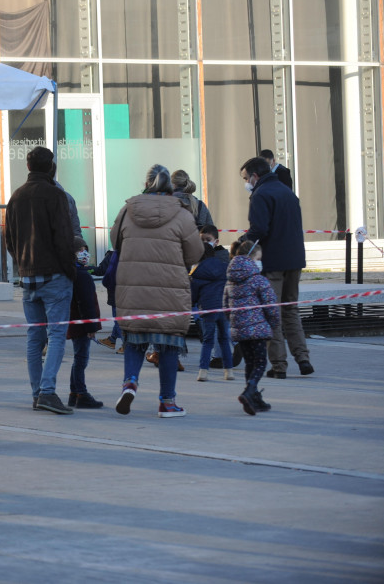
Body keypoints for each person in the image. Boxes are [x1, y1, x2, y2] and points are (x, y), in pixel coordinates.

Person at [112, 164, 204, 418]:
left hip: (132, 285)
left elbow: (114, 241)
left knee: (134, 337)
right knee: (169, 343)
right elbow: (196, 253)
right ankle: (167, 402)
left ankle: (130, 383)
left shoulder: (127, 210)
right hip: (170, 288)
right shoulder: (183, 214)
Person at [4, 146, 77, 415]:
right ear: (51, 167)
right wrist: (70, 269)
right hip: (55, 275)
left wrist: (22, 264)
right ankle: (47, 391)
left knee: (35, 336)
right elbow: (64, 237)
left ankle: (38, 393)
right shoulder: (55, 195)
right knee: (56, 334)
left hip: (28, 276)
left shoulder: (17, 196)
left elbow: (9, 238)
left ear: (28, 166)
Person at [239, 156, 314, 378]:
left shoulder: (261, 195)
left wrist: (240, 243)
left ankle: (279, 366)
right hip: (295, 260)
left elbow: (259, 229)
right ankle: (303, 359)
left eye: (246, 178)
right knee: (291, 309)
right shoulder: (287, 192)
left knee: (272, 312)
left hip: (273, 262)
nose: (246, 183)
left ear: (255, 176)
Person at [224, 240, 280, 415]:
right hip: (257, 329)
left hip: (240, 329)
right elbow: (270, 305)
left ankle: (254, 398)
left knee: (250, 363)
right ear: (252, 258)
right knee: (261, 362)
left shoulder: (230, 281)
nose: (259, 262)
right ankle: (249, 392)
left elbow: (225, 307)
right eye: (258, 258)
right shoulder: (258, 280)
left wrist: (235, 322)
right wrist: (274, 323)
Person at [66, 237, 105, 409]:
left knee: (78, 359)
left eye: (85, 249)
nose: (84, 253)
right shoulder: (82, 276)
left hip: (74, 322)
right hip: (82, 324)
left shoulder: (73, 273)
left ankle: (74, 393)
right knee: (81, 359)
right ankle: (81, 393)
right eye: (80, 250)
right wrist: (91, 327)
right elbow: (86, 304)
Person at [191, 239, 234, 383]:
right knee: (223, 340)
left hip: (209, 309)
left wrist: (192, 303)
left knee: (208, 340)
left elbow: (194, 295)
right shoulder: (224, 267)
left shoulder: (197, 272)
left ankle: (203, 372)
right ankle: (229, 371)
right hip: (224, 307)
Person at [95, 250, 123, 354]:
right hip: (129, 293)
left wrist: (87, 270)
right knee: (120, 318)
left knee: (118, 320)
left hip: (116, 292)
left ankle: (125, 345)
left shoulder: (113, 254)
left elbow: (101, 271)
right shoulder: (133, 251)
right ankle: (112, 340)